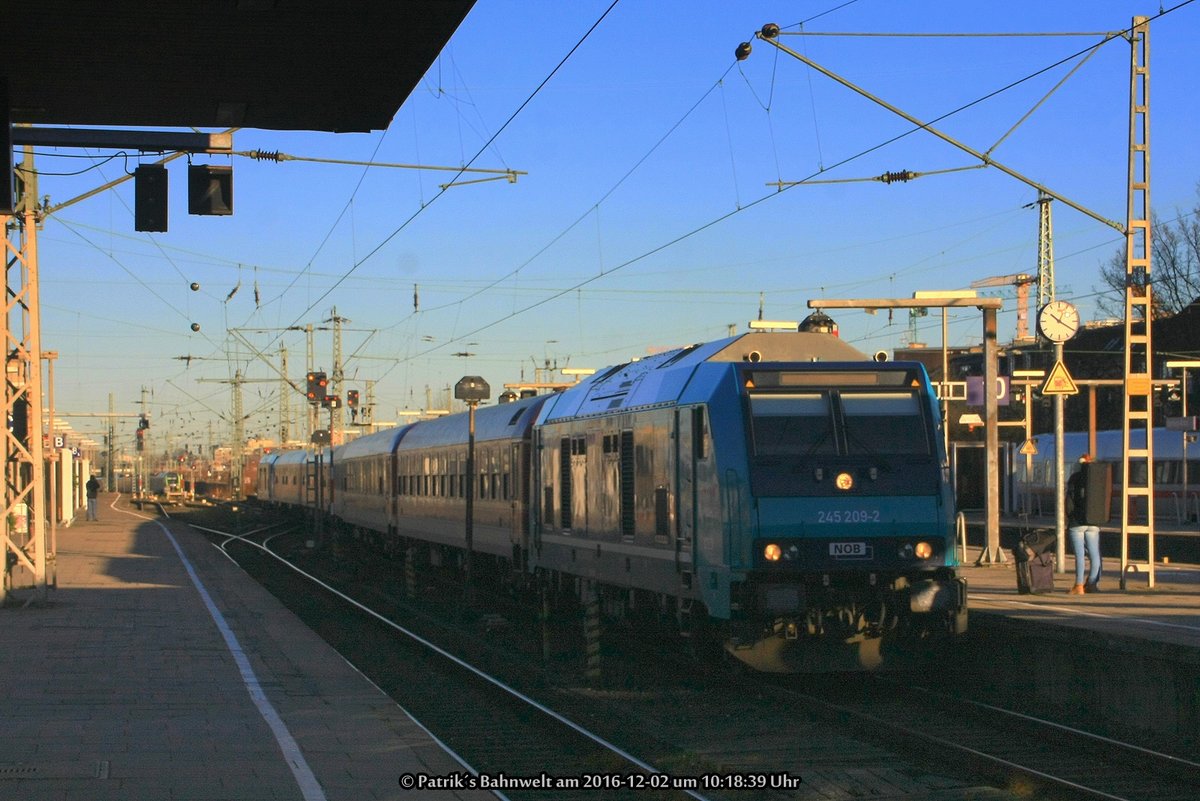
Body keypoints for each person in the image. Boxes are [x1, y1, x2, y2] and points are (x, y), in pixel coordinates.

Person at [1067, 454, 1103, 594]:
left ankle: (1079, 585)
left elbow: (1069, 499)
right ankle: (1092, 584)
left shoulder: (1075, 478)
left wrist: (1069, 515)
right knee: (1095, 554)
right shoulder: (1098, 478)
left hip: (1077, 522)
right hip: (1094, 521)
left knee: (1080, 555)